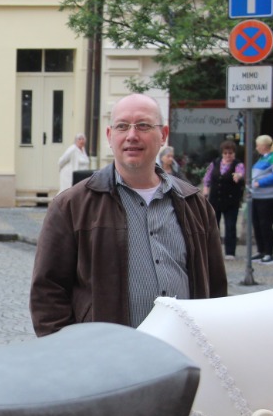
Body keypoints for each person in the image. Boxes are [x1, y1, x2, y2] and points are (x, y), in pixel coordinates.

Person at [30, 93, 227, 336]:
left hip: (183, 350)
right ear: (110, 136)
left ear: (163, 134)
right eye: (122, 126)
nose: (132, 135)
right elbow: (47, 292)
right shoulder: (72, 206)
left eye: (143, 125)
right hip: (107, 353)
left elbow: (216, 289)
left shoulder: (194, 204)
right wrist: (72, 352)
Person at [202, 140, 245, 260]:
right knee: (214, 226)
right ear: (222, 153)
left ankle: (230, 252)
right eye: (225, 153)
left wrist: (238, 176)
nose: (228, 155)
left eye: (230, 153)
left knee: (230, 226)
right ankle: (214, 251)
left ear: (234, 153)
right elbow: (207, 178)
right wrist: (205, 190)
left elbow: (241, 173)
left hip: (231, 200)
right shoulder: (215, 163)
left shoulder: (238, 164)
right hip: (215, 199)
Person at [251, 134, 273, 265]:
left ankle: (269, 253)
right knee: (257, 224)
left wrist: (260, 183)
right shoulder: (263, 158)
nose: (256, 148)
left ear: (264, 146)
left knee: (265, 224)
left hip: (270, 196)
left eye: (258, 145)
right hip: (257, 195)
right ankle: (261, 250)